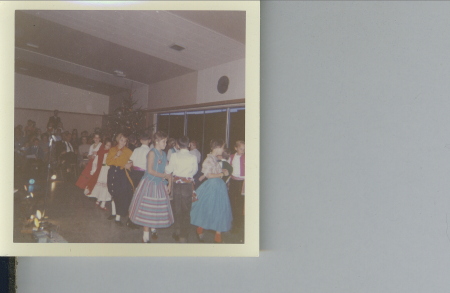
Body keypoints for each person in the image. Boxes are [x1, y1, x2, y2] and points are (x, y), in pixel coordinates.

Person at [128, 131, 173, 243]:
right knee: (147, 210)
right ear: (156, 141)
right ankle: (145, 237)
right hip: (149, 183)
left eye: (166, 141)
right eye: (163, 141)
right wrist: (164, 175)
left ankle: (153, 228)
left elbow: (166, 169)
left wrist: (170, 183)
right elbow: (150, 170)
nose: (165, 143)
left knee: (156, 208)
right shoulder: (151, 153)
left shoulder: (163, 153)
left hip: (160, 184)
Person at [190, 139, 232, 243]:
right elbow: (209, 175)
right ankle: (200, 228)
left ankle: (218, 233)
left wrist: (222, 170)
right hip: (212, 186)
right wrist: (222, 174)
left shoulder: (214, 159)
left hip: (219, 186)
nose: (223, 150)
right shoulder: (208, 160)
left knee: (220, 209)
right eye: (222, 147)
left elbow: (213, 170)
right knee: (208, 208)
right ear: (217, 148)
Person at [165, 136, 198, 243]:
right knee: (186, 210)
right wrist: (187, 175)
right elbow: (195, 171)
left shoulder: (174, 156)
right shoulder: (193, 157)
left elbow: (169, 170)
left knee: (177, 209)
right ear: (188, 145)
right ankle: (184, 235)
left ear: (178, 145)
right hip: (187, 185)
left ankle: (177, 231)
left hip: (177, 185)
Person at [106, 133, 133, 226]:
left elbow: (132, 161)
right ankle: (113, 213)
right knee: (112, 192)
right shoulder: (112, 150)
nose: (123, 143)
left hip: (122, 173)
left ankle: (118, 217)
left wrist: (130, 164)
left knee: (120, 194)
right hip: (113, 172)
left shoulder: (128, 151)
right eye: (122, 140)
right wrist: (116, 155)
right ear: (118, 140)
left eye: (125, 141)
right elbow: (108, 162)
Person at [85, 139, 112, 210]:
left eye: (109, 145)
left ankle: (101, 201)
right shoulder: (100, 152)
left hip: (108, 170)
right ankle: (100, 202)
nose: (108, 147)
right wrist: (93, 171)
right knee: (102, 186)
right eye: (107, 145)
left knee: (105, 186)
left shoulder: (111, 152)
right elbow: (95, 162)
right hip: (102, 170)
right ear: (104, 145)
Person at [228, 140, 245, 233]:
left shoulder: (245, 158)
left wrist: (244, 185)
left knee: (239, 203)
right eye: (241, 149)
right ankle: (232, 221)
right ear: (236, 148)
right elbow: (230, 169)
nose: (243, 151)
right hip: (233, 181)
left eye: (244, 149)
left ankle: (238, 224)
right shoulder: (232, 157)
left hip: (241, 182)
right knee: (232, 201)